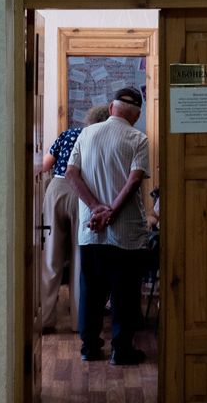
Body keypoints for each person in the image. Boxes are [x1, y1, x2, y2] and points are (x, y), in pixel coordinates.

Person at [66, 87, 151, 366]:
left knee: (91, 289)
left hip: (91, 229)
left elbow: (71, 173)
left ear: (111, 109)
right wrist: (111, 211)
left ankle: (89, 347)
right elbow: (135, 179)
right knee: (124, 292)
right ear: (136, 115)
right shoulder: (137, 138)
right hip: (125, 232)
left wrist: (95, 208)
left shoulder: (86, 133)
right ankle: (121, 350)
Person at [38, 104, 110, 332]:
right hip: (84, 192)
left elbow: (45, 165)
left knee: (51, 256)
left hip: (57, 189)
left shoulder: (68, 134)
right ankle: (81, 322)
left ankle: (46, 319)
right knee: (81, 258)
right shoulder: (103, 140)